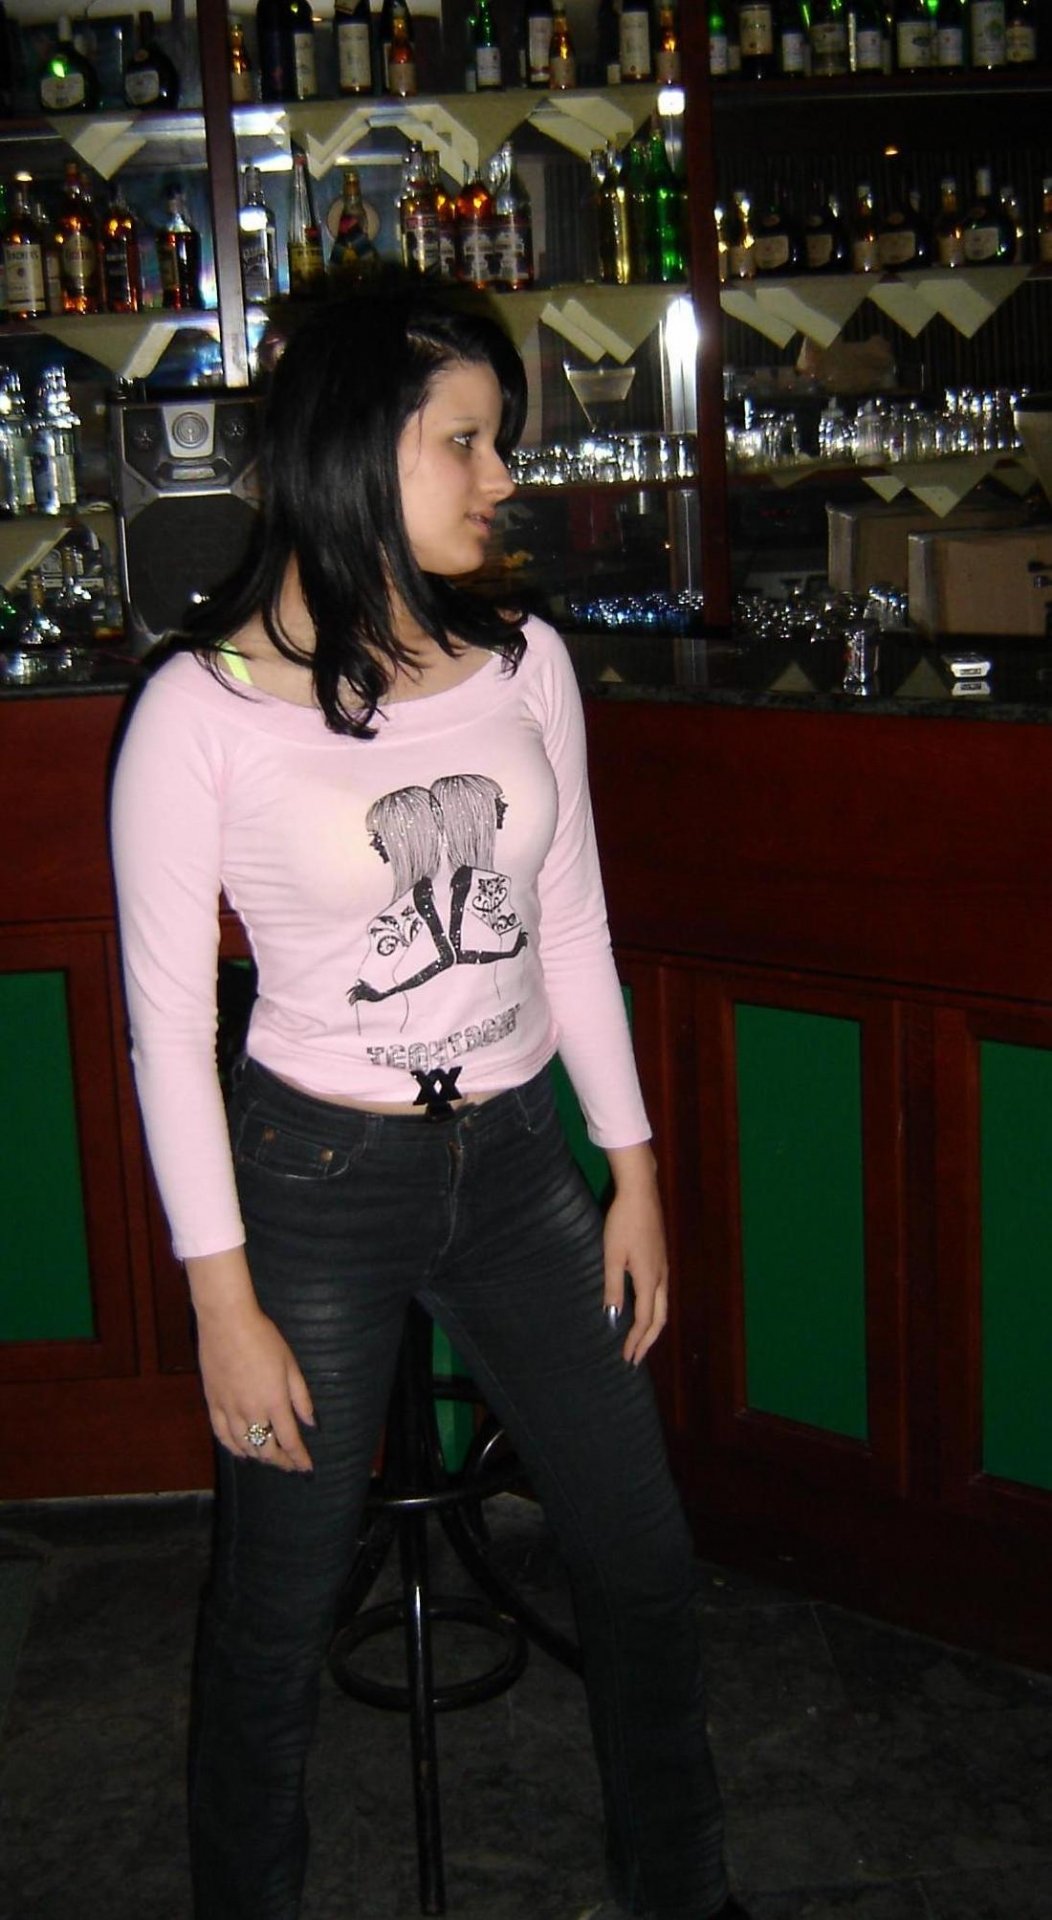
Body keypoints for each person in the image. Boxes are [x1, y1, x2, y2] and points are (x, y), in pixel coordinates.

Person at [110, 281, 752, 1920]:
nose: (502, 477)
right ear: (355, 446)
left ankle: (681, 1893)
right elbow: (166, 1028)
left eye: (497, 443)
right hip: (314, 1184)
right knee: (276, 1612)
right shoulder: (198, 708)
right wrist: (222, 1306)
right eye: (465, 441)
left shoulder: (524, 663)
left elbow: (573, 923)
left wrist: (634, 1170)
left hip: (524, 1164)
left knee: (641, 1557)